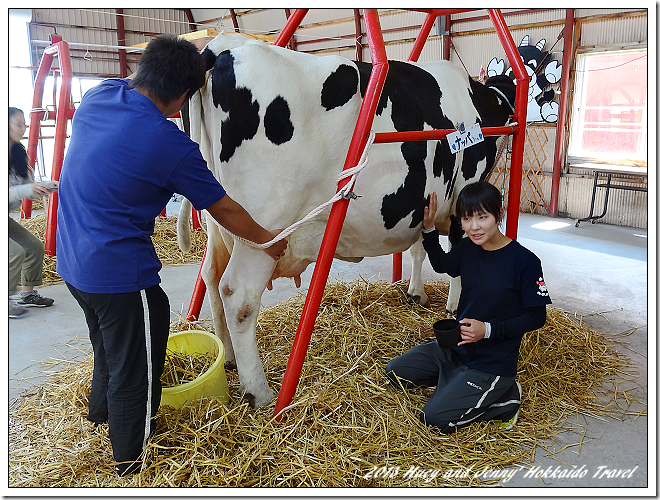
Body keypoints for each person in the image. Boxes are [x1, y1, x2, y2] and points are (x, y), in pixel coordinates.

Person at [55, 34, 288, 476]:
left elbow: (137, 83)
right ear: (182, 98)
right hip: (118, 274)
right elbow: (223, 207)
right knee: (135, 368)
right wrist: (265, 239)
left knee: (110, 341)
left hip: (72, 262)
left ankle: (99, 414)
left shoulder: (99, 96)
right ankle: (130, 460)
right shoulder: (169, 144)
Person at [385, 181, 551, 433]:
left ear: (499, 214)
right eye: (466, 219)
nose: (474, 227)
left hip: (491, 363)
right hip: (456, 348)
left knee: (435, 420)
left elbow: (536, 317)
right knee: (396, 372)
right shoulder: (468, 248)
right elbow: (443, 265)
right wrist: (428, 230)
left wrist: (487, 330)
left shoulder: (525, 262)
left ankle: (505, 399)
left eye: (482, 217)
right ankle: (453, 382)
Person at [8, 107, 56, 318]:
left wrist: (46, 187)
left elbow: (27, 187)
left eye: (24, 123)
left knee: (34, 246)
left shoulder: (18, 153)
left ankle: (28, 294)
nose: (23, 128)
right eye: (18, 124)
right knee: (14, 253)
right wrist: (29, 189)